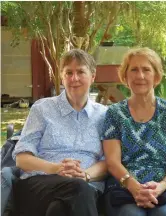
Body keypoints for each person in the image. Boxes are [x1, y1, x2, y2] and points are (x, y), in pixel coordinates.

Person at [11, 49, 107, 216]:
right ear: (62, 77)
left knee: (59, 209)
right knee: (77, 188)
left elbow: (109, 161)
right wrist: (57, 168)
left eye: (80, 72)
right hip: (39, 185)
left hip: (87, 186)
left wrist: (85, 175)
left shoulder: (105, 115)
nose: (74, 78)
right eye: (68, 72)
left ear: (93, 76)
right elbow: (21, 159)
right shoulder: (42, 108)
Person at [102, 47, 166, 216]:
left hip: (164, 189)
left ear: (156, 76)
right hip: (124, 188)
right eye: (134, 70)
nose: (140, 76)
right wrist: (134, 187)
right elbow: (112, 162)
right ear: (125, 76)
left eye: (146, 70)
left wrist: (161, 186)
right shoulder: (115, 114)